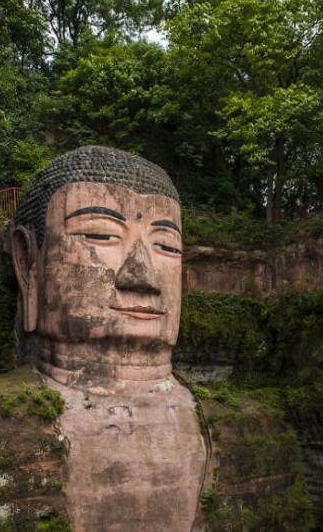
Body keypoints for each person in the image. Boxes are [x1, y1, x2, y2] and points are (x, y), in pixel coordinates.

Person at [11, 146, 205, 531]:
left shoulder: (247, 430)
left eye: (166, 245)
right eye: (101, 234)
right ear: (27, 263)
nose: (142, 275)